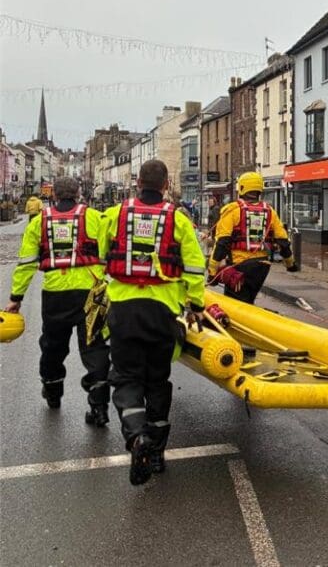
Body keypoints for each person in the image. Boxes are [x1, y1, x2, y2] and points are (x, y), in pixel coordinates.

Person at [103, 160, 206, 486]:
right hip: (163, 311)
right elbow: (194, 266)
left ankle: (137, 439)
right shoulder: (178, 219)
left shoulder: (115, 215)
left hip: (123, 308)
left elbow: (101, 253)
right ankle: (157, 452)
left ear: (137, 183)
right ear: (165, 185)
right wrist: (197, 305)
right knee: (157, 379)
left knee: (126, 378)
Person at [4, 177, 111, 426]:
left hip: (55, 294)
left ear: (53, 196)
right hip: (91, 292)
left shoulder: (39, 221)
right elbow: (107, 251)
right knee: (94, 347)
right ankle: (99, 406)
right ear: (78, 194)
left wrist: (16, 298)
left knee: (53, 346)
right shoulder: (94, 217)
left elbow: (26, 263)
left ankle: (52, 392)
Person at [207, 172, 297, 304]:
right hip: (262, 267)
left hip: (239, 267)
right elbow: (283, 242)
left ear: (241, 188)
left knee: (234, 305)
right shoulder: (270, 211)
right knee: (248, 300)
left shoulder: (232, 210)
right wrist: (290, 264)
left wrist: (212, 272)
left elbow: (222, 242)